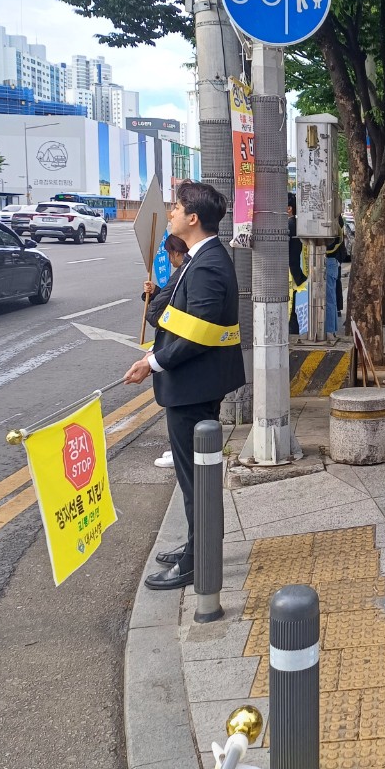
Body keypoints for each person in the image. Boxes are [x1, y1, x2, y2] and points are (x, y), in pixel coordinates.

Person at [123, 181, 245, 590]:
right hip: (193, 383)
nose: (171, 213)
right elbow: (182, 318)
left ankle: (198, 559)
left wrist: (152, 362)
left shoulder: (208, 263)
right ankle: (198, 544)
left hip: (194, 386)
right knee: (194, 476)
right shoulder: (199, 258)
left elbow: (200, 334)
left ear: (193, 218)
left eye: (176, 208)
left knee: (196, 479)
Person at [141, 233, 190, 469]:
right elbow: (171, 299)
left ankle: (181, 452)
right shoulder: (187, 270)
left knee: (179, 404)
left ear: (176, 253)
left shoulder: (186, 271)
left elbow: (158, 313)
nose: (170, 259)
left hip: (175, 346)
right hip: (175, 344)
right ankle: (180, 449)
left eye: (170, 254)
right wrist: (155, 291)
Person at [287, 193, 308, 335]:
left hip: (292, 272)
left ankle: (293, 333)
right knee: (293, 306)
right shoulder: (296, 224)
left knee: (291, 307)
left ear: (289, 208)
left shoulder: (289, 226)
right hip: (296, 271)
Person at [325, 216, 345, 343]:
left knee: (329, 299)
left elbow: (332, 243)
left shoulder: (334, 221)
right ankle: (331, 330)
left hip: (330, 260)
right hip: (332, 261)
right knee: (331, 298)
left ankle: (330, 331)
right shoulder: (336, 220)